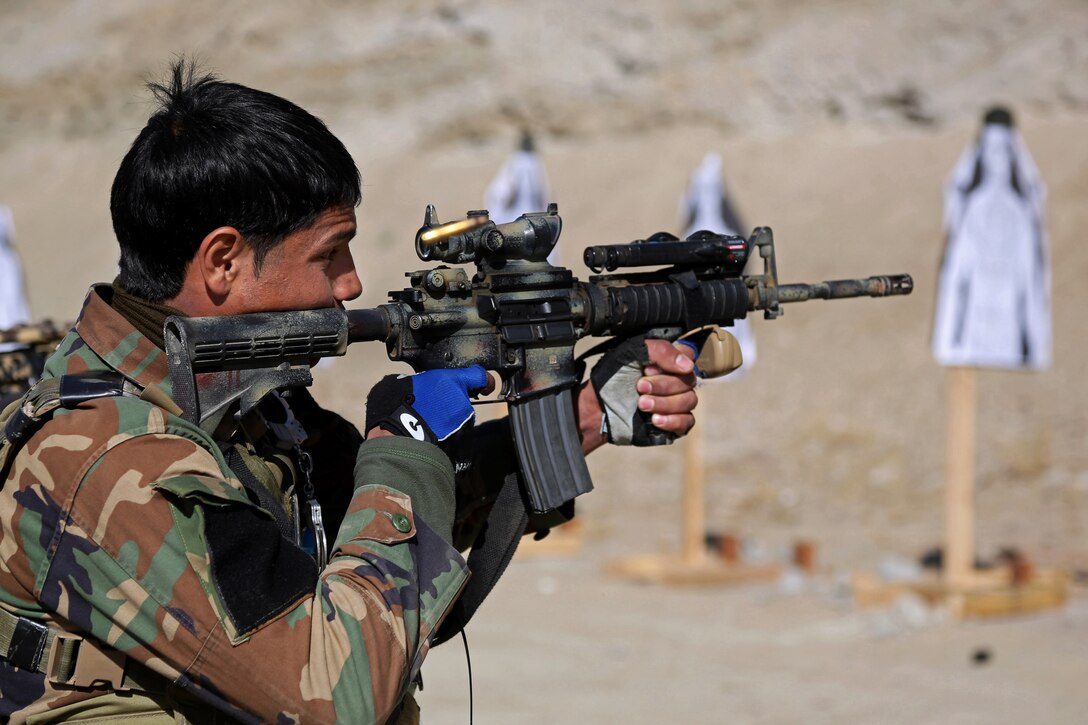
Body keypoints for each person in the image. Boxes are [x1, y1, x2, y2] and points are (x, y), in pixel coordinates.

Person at [0, 63, 699, 723]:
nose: (352, 283)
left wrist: (576, 418)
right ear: (223, 261)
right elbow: (335, 695)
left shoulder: (246, 406)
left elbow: (380, 559)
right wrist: (404, 448)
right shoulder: (109, 459)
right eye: (328, 253)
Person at [932, 105, 1051, 370]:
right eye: (991, 149)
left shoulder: (1021, 205)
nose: (996, 157)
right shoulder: (971, 202)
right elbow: (957, 272)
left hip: (1008, 304)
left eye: (1002, 150)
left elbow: (1030, 276)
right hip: (977, 302)